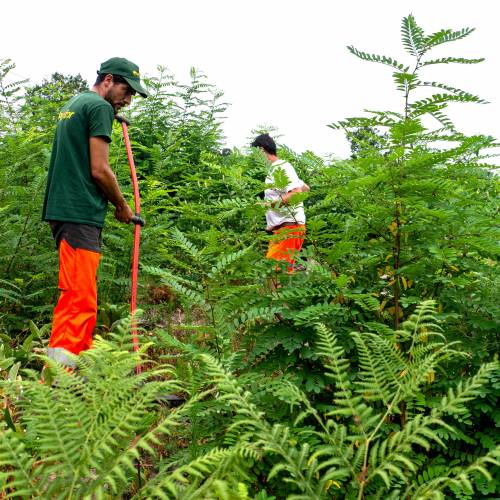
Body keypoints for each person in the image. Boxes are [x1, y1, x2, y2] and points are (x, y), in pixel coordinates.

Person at [42, 57, 148, 369]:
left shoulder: (77, 102)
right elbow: (100, 170)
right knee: (80, 301)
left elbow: (80, 137)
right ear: (108, 80)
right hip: (79, 213)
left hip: (64, 211)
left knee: (75, 296)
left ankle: (67, 373)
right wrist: (122, 206)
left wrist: (113, 117)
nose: (127, 100)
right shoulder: (99, 108)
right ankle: (63, 381)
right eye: (126, 91)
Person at [251, 133, 310, 273]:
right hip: (283, 231)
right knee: (278, 276)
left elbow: (297, 193)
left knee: (271, 273)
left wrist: (268, 205)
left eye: (255, 153)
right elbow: (306, 188)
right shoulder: (279, 168)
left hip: (290, 229)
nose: (254, 158)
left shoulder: (280, 167)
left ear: (262, 150)